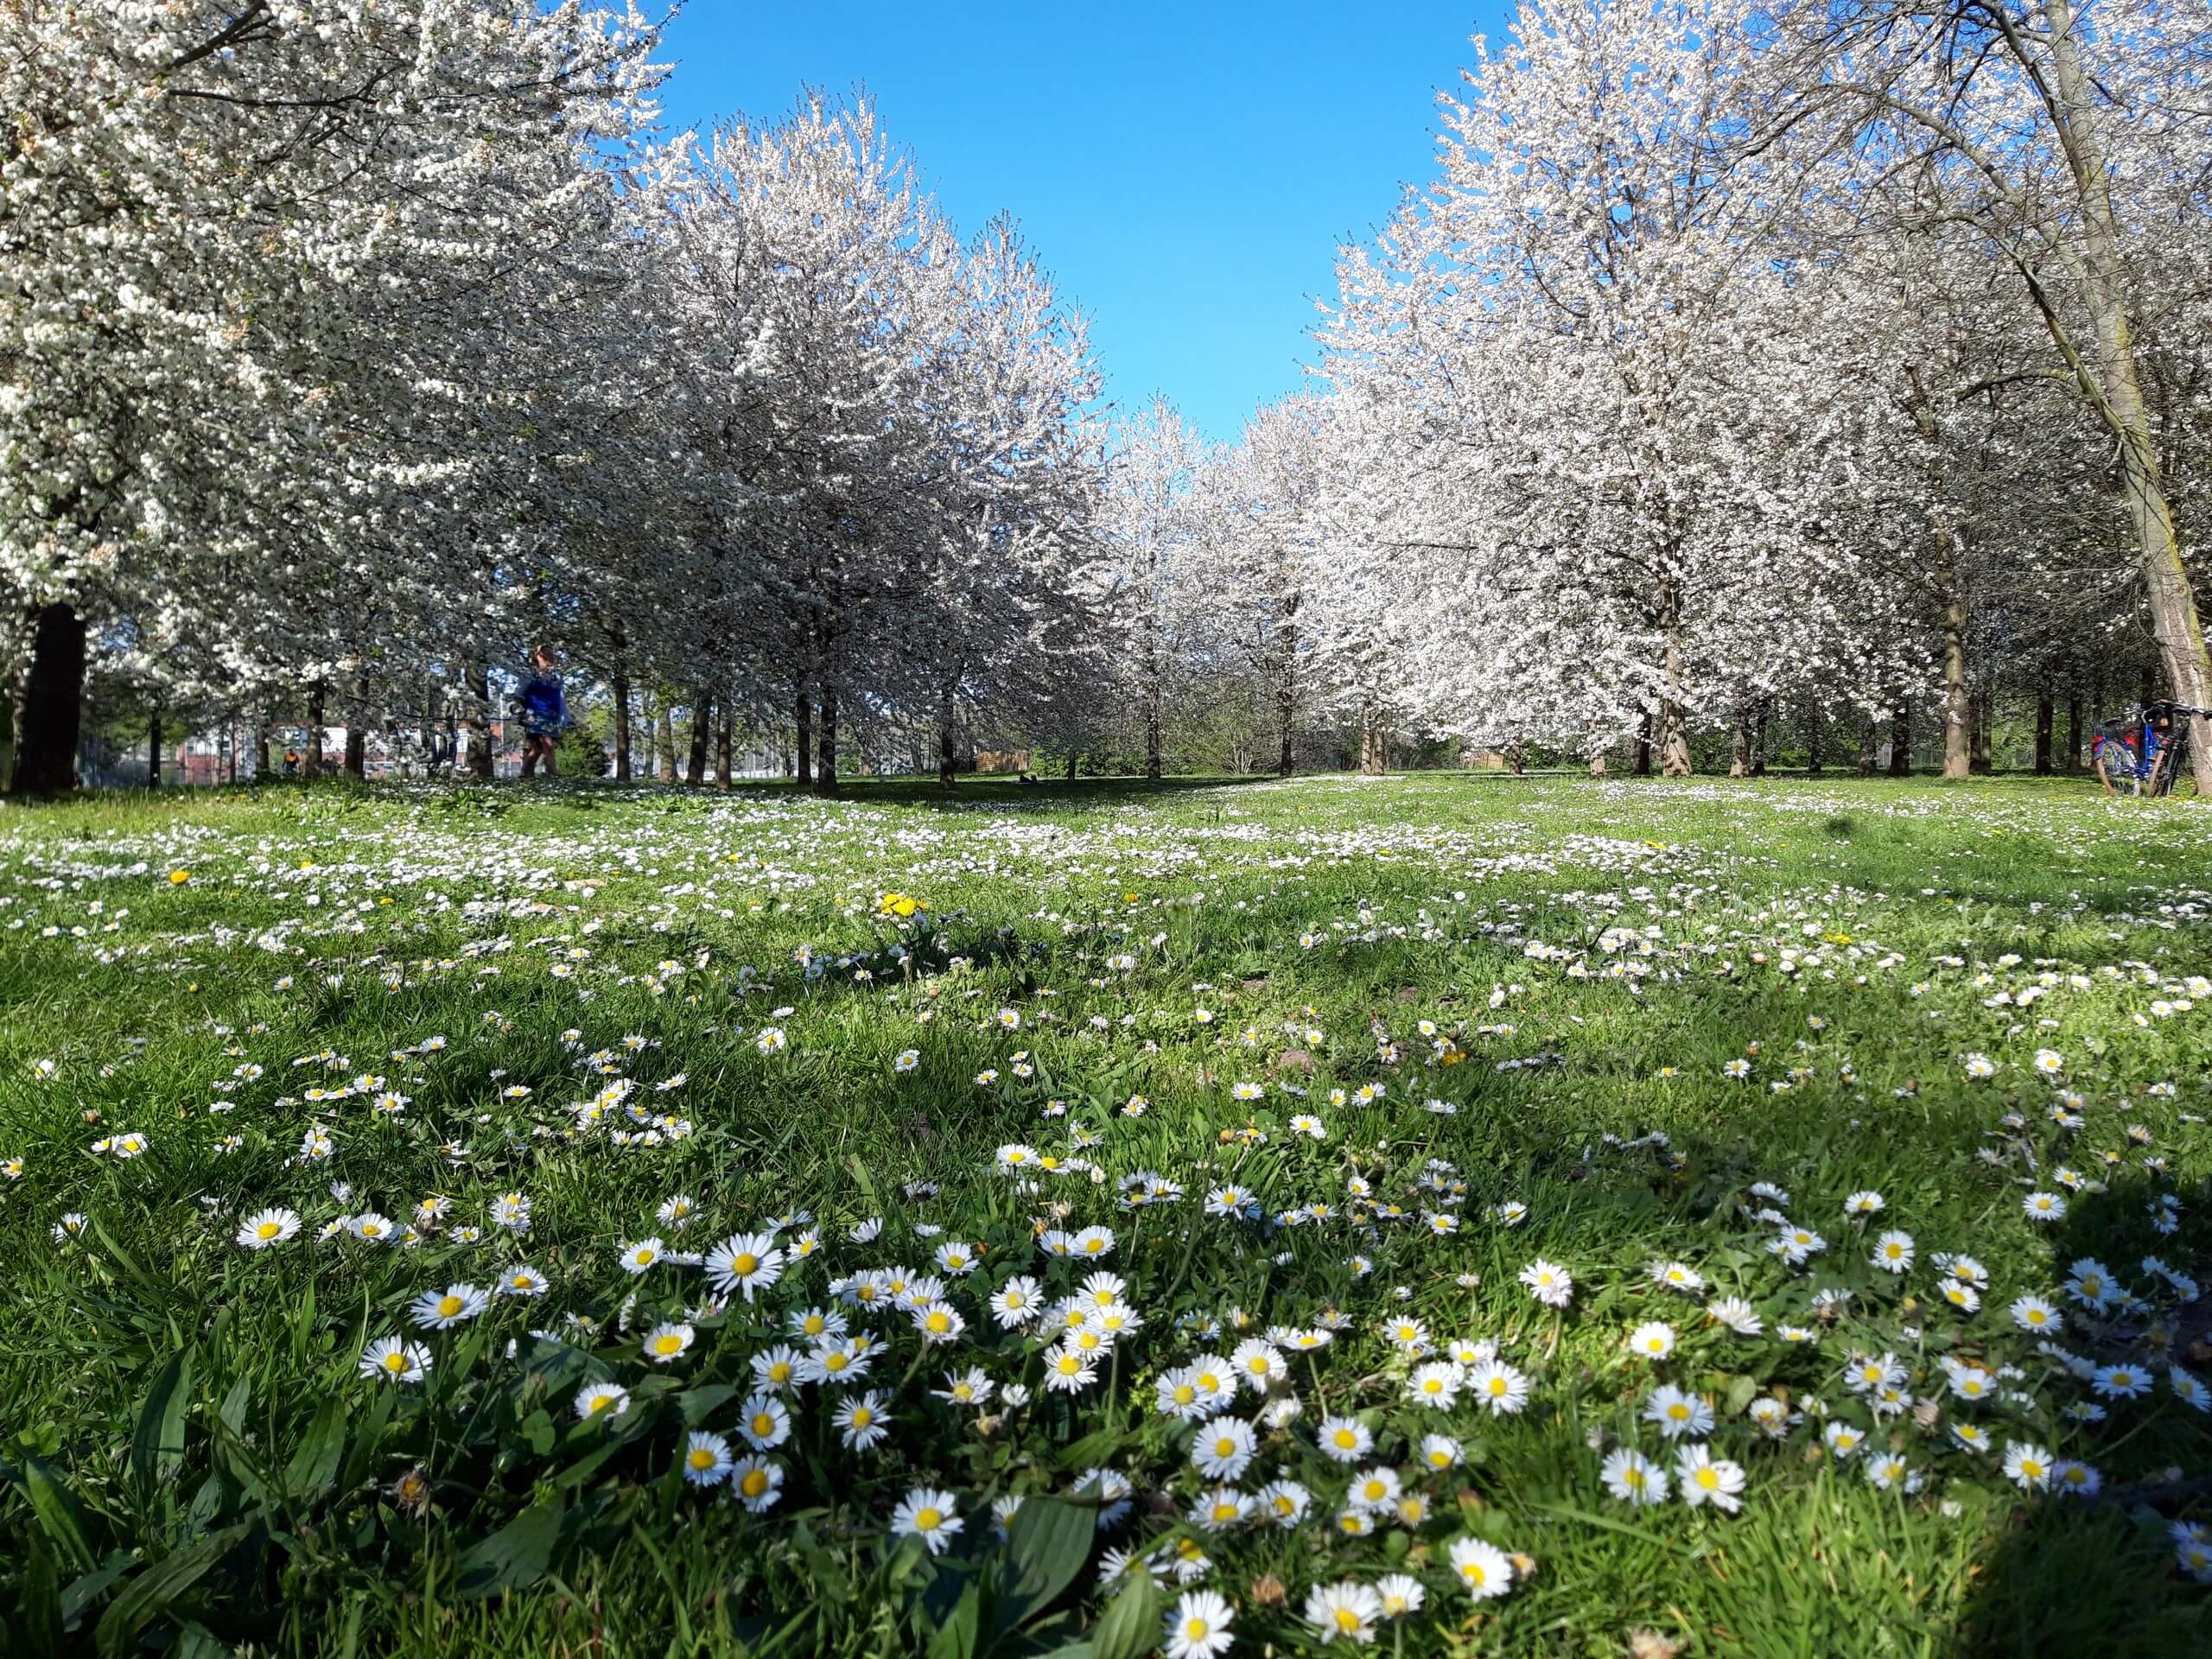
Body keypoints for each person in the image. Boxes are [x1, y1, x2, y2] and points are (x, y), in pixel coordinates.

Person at [516, 645, 571, 779]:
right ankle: (553, 776)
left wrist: (567, 718)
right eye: (546, 656)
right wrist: (517, 708)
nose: (550, 659)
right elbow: (518, 694)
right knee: (548, 745)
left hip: (552, 716)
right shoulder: (530, 675)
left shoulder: (555, 678)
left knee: (538, 749)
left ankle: (524, 775)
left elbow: (560, 699)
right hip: (536, 716)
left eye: (552, 656)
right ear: (537, 657)